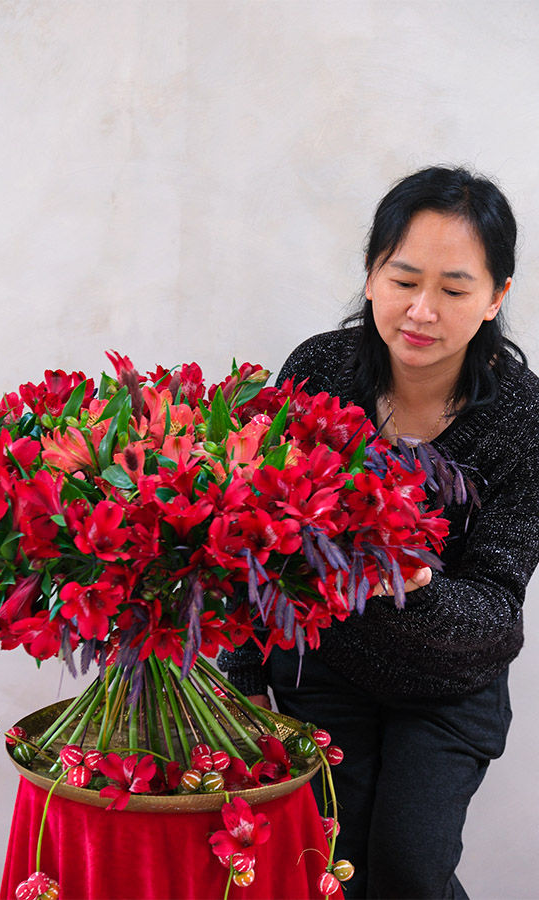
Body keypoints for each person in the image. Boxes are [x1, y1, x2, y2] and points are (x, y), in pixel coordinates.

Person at [222, 166, 539, 898]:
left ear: (496, 298)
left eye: (455, 290)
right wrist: (243, 682)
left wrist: (415, 582)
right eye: (403, 280)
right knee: (327, 868)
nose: (421, 311)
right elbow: (250, 536)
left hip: (450, 686)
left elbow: (497, 608)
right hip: (325, 670)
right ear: (370, 277)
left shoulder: (523, 420)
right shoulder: (318, 372)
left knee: (410, 870)